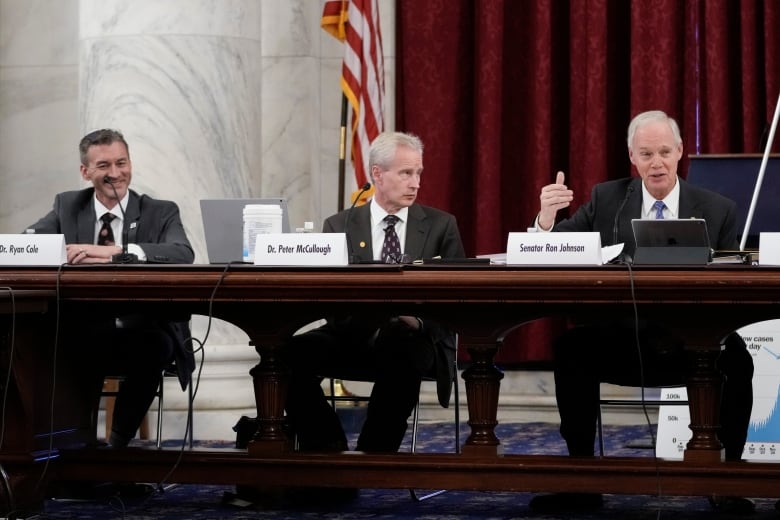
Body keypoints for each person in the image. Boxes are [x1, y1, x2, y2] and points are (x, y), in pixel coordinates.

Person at [528, 110, 755, 514]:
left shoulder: (718, 209)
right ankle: (582, 479)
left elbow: (732, 277)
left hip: (694, 342)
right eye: (646, 153)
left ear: (681, 152)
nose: (657, 163)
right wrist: (546, 219)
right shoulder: (607, 199)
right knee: (571, 349)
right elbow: (554, 249)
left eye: (665, 152)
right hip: (621, 337)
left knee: (737, 356)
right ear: (632, 156)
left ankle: (728, 480)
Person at [282, 131, 465, 459]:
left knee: (403, 351)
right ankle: (327, 450)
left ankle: (373, 457)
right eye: (405, 173)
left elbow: (457, 299)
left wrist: (418, 321)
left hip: (413, 338)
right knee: (285, 357)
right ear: (377, 175)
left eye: (418, 173)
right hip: (352, 333)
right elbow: (328, 297)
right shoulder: (340, 225)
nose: (415, 183)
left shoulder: (440, 226)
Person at [27, 128, 195, 449]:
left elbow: (182, 253)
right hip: (81, 328)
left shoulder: (160, 211)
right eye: (103, 166)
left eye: (122, 163)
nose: (115, 174)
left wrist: (113, 252)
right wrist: (64, 253)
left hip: (140, 329)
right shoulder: (67, 205)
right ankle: (67, 445)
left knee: (155, 345)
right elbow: (30, 242)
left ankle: (117, 446)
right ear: (85, 171)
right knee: (41, 341)